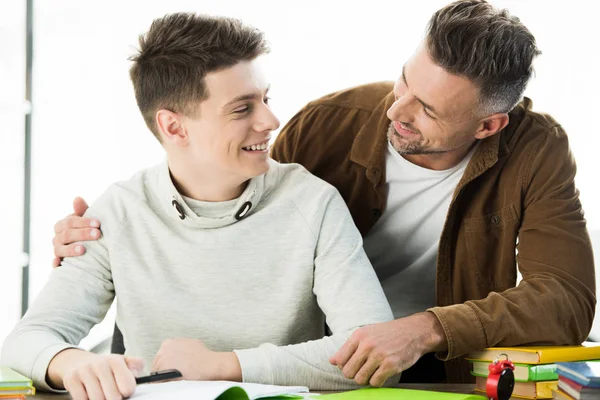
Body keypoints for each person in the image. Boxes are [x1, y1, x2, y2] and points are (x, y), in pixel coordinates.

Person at [51, 0, 596, 387]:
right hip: (318, 362)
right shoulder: (328, 124)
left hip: (442, 367)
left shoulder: (536, 150)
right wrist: (111, 233)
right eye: (404, 81)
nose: (396, 110)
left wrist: (425, 329)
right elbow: (228, 188)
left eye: (427, 110)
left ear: (488, 126)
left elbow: (566, 298)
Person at [0, 12, 397, 400]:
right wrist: (71, 363)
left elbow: (377, 354)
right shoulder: (119, 211)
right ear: (174, 127)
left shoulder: (313, 203)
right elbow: (27, 340)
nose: (270, 120)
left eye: (265, 98)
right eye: (243, 108)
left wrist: (225, 365)